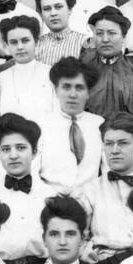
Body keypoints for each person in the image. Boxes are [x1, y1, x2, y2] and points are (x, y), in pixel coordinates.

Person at [74, 113, 133, 264]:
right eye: (108, 143)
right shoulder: (90, 191)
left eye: (123, 143)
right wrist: (85, 252)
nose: (114, 150)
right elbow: (75, 233)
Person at [0, 113, 54, 264]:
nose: (13, 155)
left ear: (34, 152)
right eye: (5, 149)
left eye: (21, 148)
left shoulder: (50, 197)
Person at [37, 57, 104, 194]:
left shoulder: (100, 125)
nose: (72, 94)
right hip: (48, 202)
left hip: (89, 203)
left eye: (79, 88)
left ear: (88, 93)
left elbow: (106, 172)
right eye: (66, 87)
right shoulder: (40, 125)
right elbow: (32, 171)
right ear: (56, 90)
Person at [83, 6, 133, 117]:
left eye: (112, 33)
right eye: (100, 33)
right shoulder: (83, 70)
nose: (105, 39)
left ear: (123, 36)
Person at [0, 15, 55, 120]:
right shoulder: (1, 78)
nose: (20, 47)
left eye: (25, 40)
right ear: (6, 45)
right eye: (13, 42)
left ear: (37, 41)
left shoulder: (51, 74)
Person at [36, 0, 90, 64]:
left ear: (70, 9)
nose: (53, 13)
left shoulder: (84, 42)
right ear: (41, 13)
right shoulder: (36, 45)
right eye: (47, 9)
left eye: (58, 7)